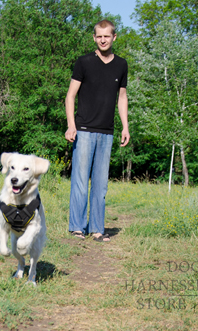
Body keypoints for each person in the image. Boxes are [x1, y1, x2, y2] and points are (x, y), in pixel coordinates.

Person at [65, 19, 130, 242]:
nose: (103, 40)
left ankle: (97, 230)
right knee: (80, 181)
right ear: (94, 38)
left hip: (107, 132)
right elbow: (70, 96)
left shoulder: (121, 65)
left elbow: (122, 97)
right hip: (83, 129)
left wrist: (125, 126)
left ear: (114, 38)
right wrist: (71, 125)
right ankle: (76, 227)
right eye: (99, 36)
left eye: (107, 36)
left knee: (101, 185)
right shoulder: (83, 62)